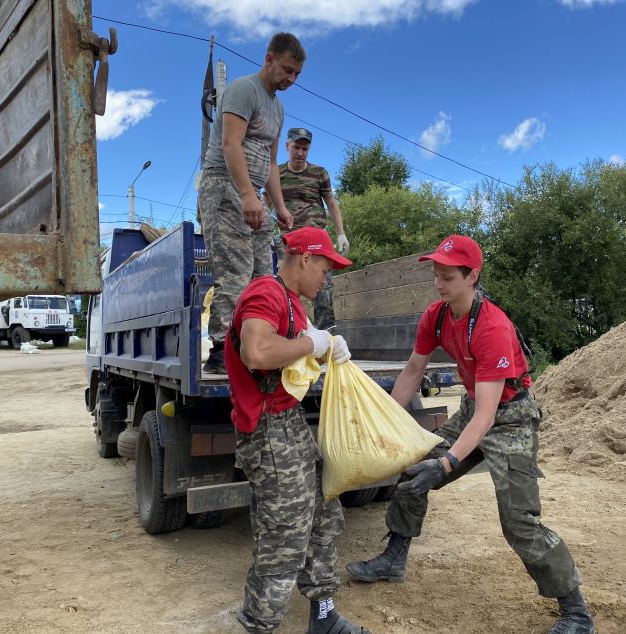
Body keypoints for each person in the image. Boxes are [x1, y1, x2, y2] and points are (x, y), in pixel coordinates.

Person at [346, 235, 595, 634]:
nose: (438, 284)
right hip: (473, 410)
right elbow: (412, 372)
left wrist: (445, 464)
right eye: (435, 275)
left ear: (472, 276)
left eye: (447, 276)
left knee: (519, 522)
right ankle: (394, 557)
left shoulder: (493, 326)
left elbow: (487, 416)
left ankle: (577, 612)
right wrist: (388, 424)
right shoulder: (437, 316)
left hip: (509, 418)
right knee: (412, 469)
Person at [226, 226, 370, 634]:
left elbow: (291, 358)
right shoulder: (265, 293)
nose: (326, 280)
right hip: (267, 430)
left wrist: (325, 350)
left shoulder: (292, 302)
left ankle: (324, 618)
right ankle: (258, 626)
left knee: (325, 514)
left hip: (288, 423)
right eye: (325, 268)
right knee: (285, 537)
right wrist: (313, 344)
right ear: (305, 258)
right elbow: (256, 352)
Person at [199, 32, 303, 375]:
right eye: (287, 70)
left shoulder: (278, 107)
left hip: (252, 193)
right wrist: (246, 195)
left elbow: (271, 163)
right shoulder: (244, 90)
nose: (290, 79)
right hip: (224, 186)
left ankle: (258, 343)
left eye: (296, 75)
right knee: (236, 271)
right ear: (269, 58)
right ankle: (221, 351)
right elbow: (231, 145)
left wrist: (280, 206)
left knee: (264, 276)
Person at [277, 127, 348, 330]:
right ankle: (288, 332)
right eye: (296, 147)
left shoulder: (319, 173)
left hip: (317, 240)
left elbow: (331, 203)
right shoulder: (277, 173)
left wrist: (341, 233)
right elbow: (266, 201)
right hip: (289, 240)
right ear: (287, 146)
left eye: (305, 149)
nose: (300, 153)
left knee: (323, 288)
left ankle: (328, 336)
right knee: (287, 286)